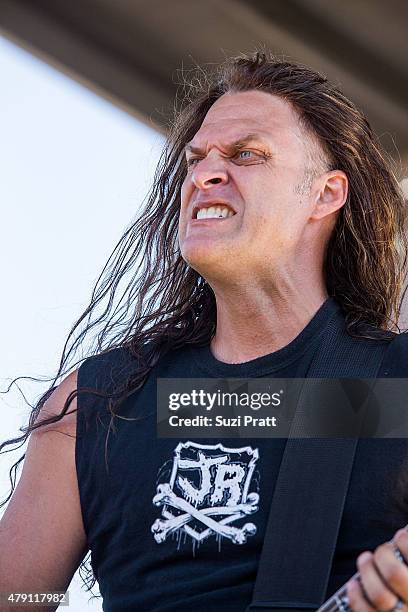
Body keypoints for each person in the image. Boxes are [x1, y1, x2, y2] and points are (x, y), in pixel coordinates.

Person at [1, 51, 408, 612]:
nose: (205, 174)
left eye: (247, 154)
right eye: (197, 158)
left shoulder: (397, 387)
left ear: (325, 194)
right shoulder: (98, 406)